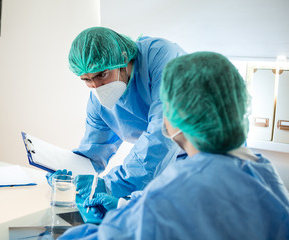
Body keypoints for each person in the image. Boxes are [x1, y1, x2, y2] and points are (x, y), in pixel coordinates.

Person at [58, 52, 289, 239]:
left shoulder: (178, 188)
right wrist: (121, 205)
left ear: (177, 114)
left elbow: (126, 228)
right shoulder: (263, 171)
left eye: (163, 105)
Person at [48, 26, 186, 198]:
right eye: (86, 80)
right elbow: (93, 152)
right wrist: (70, 174)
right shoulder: (99, 105)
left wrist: (112, 184)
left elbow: (164, 131)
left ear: (123, 58)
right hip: (166, 167)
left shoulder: (161, 56)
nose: (96, 87)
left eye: (102, 75)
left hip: (208, 154)